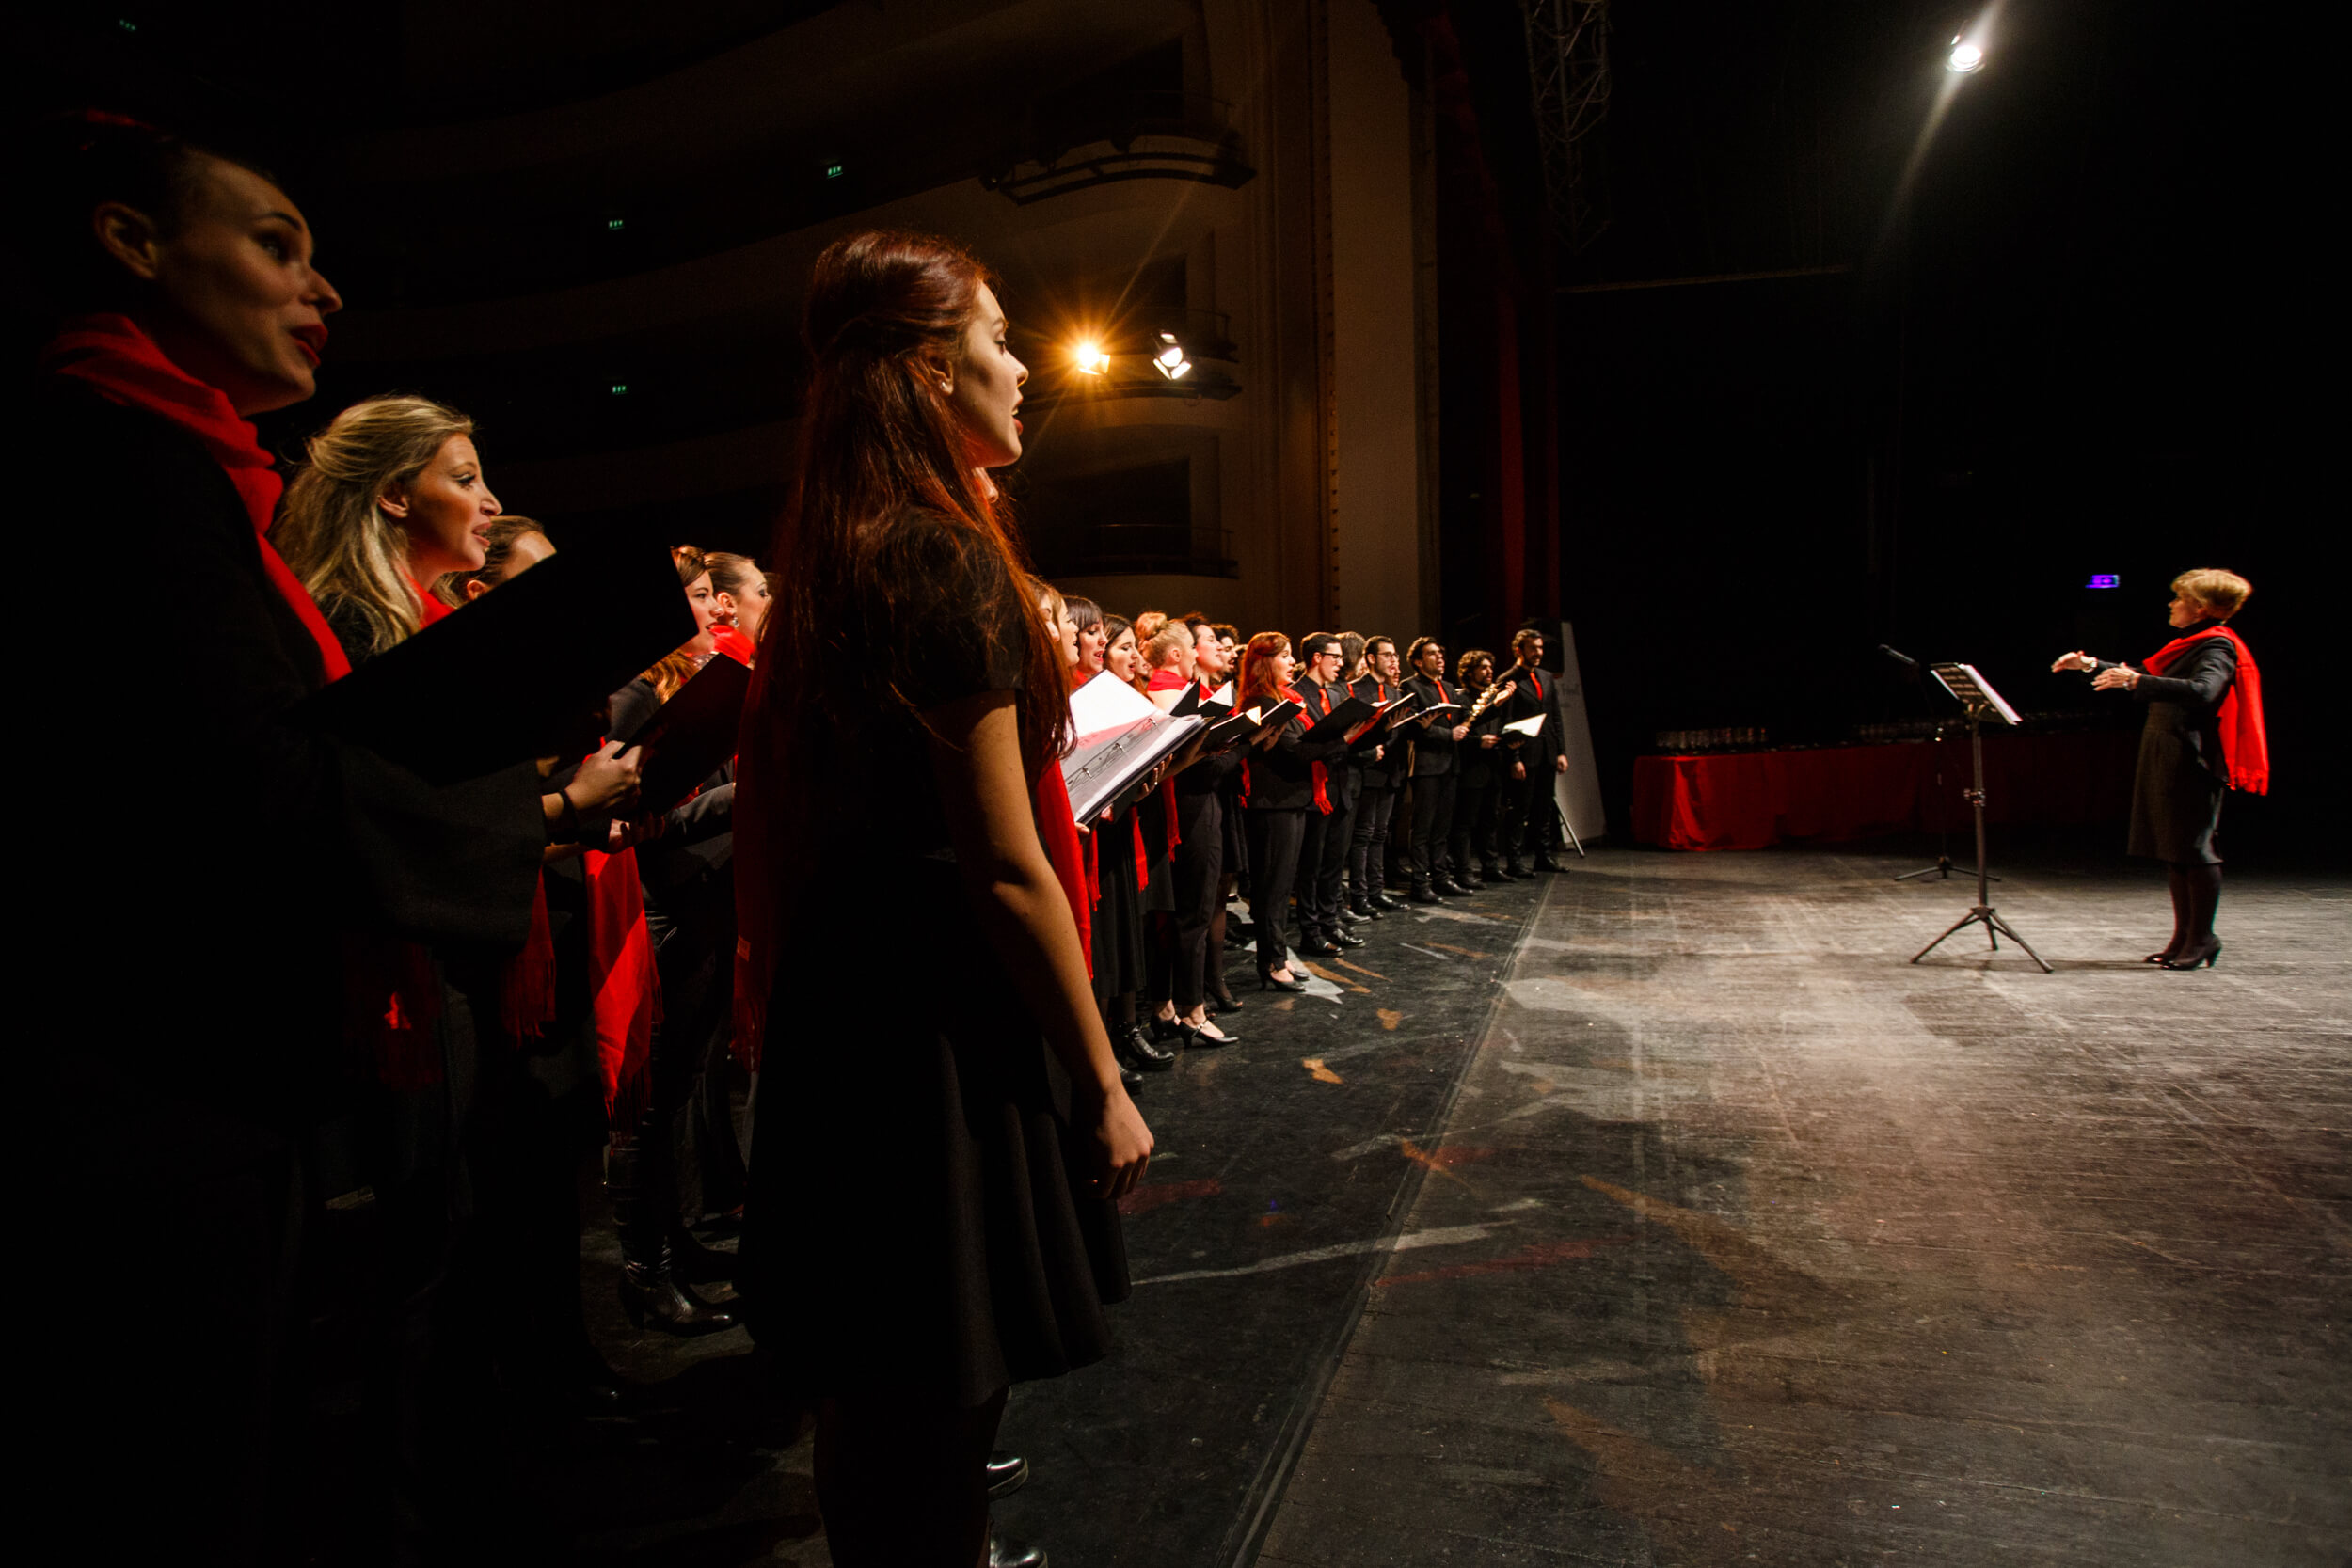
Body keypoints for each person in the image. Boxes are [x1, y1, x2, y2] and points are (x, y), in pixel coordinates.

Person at [23, 114, 548, 1560]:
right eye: (276, 245)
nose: (323, 291)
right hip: (154, 1086)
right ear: (133, 243)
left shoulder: (193, 467)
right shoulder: (111, 459)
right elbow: (242, 776)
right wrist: (537, 804)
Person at [732, 229, 1149, 1568]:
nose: (1022, 369)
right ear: (926, 369)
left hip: (845, 1007)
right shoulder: (941, 559)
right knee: (943, 1392)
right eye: (999, 336)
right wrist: (1101, 1076)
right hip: (938, 1030)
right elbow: (1007, 859)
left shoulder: (837, 555)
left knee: (875, 1390)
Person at [2051, 569, 2267, 970]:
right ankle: (2183, 937)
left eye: (2178, 598)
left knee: (2196, 849)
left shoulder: (2217, 646)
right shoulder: (2193, 643)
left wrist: (2135, 682)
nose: (2171, 604)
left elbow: (2204, 690)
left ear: (2200, 607)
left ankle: (2202, 937)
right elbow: (2156, 679)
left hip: (2192, 753)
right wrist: (2092, 665)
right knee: (2175, 849)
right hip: (2168, 748)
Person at [1236, 632, 1319, 990]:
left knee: (1283, 886)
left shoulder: (1284, 697)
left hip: (1291, 801)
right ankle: (1271, 962)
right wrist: (1342, 740)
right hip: (1272, 806)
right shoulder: (1258, 701)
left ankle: (1278, 957)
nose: (1291, 662)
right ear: (1266, 661)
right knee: (1272, 886)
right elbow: (1294, 750)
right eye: (1285, 656)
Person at [1292, 632, 1359, 956]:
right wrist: (1342, 740)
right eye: (1335, 657)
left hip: (1339, 786)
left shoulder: (1333, 694)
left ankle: (1331, 924)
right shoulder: (1296, 695)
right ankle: (1311, 931)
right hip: (1314, 791)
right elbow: (1305, 745)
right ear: (1317, 658)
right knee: (1312, 866)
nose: (1341, 663)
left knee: (1334, 863)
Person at [1403, 635, 1474, 902]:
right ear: (1419, 662)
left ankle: (1441, 878)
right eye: (1433, 654)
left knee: (1442, 828)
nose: (1440, 657)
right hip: (1427, 765)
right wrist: (1448, 735)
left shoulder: (1448, 686)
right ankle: (1420, 883)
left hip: (1450, 765)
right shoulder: (1410, 686)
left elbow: (1457, 723)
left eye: (1441, 653)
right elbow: (1412, 727)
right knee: (1423, 827)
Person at [1497, 626, 1571, 874]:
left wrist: (1561, 751)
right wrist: (1514, 757)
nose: (1538, 653)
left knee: (1544, 807)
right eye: (1533, 648)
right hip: (1524, 753)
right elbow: (1505, 723)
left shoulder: (1546, 677)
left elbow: (1555, 717)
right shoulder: (1508, 680)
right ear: (1520, 650)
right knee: (1520, 808)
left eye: (1540, 648)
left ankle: (1544, 856)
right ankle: (1515, 861)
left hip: (1547, 751)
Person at [1350, 636, 1408, 917]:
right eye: (1387, 655)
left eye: (1395, 655)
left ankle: (1376, 891)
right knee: (1363, 835)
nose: (1394, 661)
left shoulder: (1395, 692)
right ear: (1371, 658)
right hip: (1368, 770)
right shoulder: (1357, 690)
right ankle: (1359, 896)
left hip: (1390, 771)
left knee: (1380, 835)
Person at [1450, 649, 1515, 888]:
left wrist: (1510, 741)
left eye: (1490, 667)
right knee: (1465, 823)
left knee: (1490, 820)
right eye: (1483, 667)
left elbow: (1499, 728)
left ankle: (1490, 867)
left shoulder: (1493, 697)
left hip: (1492, 768)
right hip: (1471, 768)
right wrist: (1479, 742)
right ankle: (1463, 872)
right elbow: (1460, 734)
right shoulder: (1461, 699)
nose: (1489, 672)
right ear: (1469, 671)